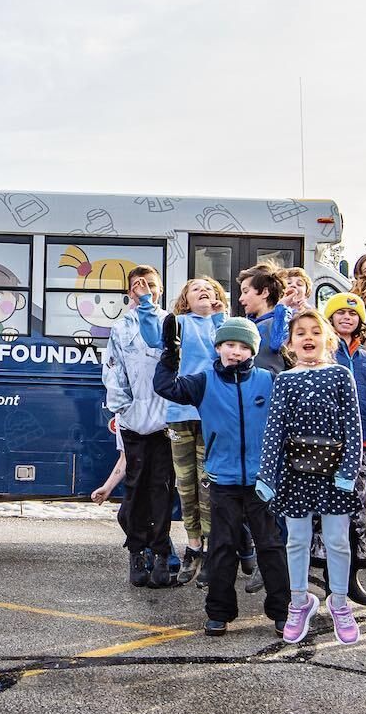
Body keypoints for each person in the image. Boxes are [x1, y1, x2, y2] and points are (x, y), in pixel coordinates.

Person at [154, 313, 288, 637]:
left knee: (271, 546)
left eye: (243, 347)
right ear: (218, 348)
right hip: (223, 480)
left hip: (262, 481)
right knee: (222, 546)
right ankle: (219, 612)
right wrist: (170, 354)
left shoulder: (268, 380)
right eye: (229, 345)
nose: (235, 352)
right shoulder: (204, 382)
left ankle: (283, 612)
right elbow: (165, 386)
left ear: (253, 351)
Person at [260, 310, 366, 645]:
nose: (308, 337)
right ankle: (299, 601)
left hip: (335, 474)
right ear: (290, 343)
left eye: (316, 332)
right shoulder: (285, 380)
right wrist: (267, 475)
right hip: (296, 474)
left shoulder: (340, 375)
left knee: (337, 540)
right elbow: (274, 430)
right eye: (301, 333)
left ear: (328, 340)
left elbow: (353, 427)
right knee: (296, 540)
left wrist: (348, 471)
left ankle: (339, 602)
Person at [102, 266, 179, 588]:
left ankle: (161, 552)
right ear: (128, 292)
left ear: (160, 289)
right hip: (134, 420)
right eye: (137, 285)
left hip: (164, 422)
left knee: (161, 489)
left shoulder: (170, 322)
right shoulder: (121, 327)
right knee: (134, 489)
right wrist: (124, 407)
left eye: (150, 284)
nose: (144, 289)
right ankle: (137, 552)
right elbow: (113, 367)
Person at [157, 277, 228, 585]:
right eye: (195, 288)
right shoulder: (180, 323)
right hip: (180, 413)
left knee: (208, 484)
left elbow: (227, 355)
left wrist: (220, 317)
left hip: (211, 413)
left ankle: (211, 550)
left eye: (209, 289)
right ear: (185, 298)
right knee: (185, 484)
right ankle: (193, 546)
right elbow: (161, 346)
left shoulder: (223, 324)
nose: (203, 291)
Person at [321, 291, 366, 605]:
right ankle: (327, 579)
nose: (347, 318)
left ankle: (351, 578)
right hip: (327, 445)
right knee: (327, 513)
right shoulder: (323, 354)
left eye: (353, 314)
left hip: (358, 446)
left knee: (356, 513)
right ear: (330, 318)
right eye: (340, 313)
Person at [236, 266, 288, 372]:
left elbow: (277, 343)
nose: (241, 299)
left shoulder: (281, 321)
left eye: (245, 292)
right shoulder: (248, 324)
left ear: (265, 292)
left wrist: (282, 309)